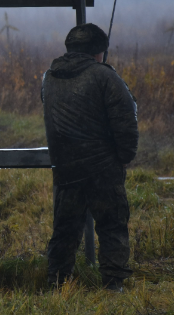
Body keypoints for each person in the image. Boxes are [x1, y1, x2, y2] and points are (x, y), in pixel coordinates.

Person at [41, 23, 139, 292]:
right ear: (99, 52)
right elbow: (126, 122)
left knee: (64, 231)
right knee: (112, 227)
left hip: (66, 169)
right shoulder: (105, 76)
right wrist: (124, 156)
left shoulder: (49, 77)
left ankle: (57, 286)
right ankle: (113, 286)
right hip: (102, 169)